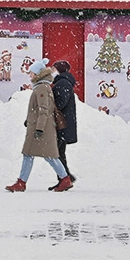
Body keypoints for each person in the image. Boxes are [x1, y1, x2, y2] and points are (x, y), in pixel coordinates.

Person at [6, 59, 73, 193]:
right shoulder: (43, 86)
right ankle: (65, 179)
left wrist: (39, 128)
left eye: (31, 73)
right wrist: (29, 120)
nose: (29, 75)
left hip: (41, 128)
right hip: (41, 126)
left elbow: (44, 109)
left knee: (30, 154)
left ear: (37, 74)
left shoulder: (41, 87)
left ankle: (21, 183)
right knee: (48, 156)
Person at [51, 60, 78, 189]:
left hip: (62, 124)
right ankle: (65, 178)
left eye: (53, 69)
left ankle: (65, 178)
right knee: (59, 152)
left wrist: (50, 106)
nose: (52, 71)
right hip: (64, 123)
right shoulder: (63, 82)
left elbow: (61, 102)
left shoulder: (62, 83)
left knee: (56, 152)